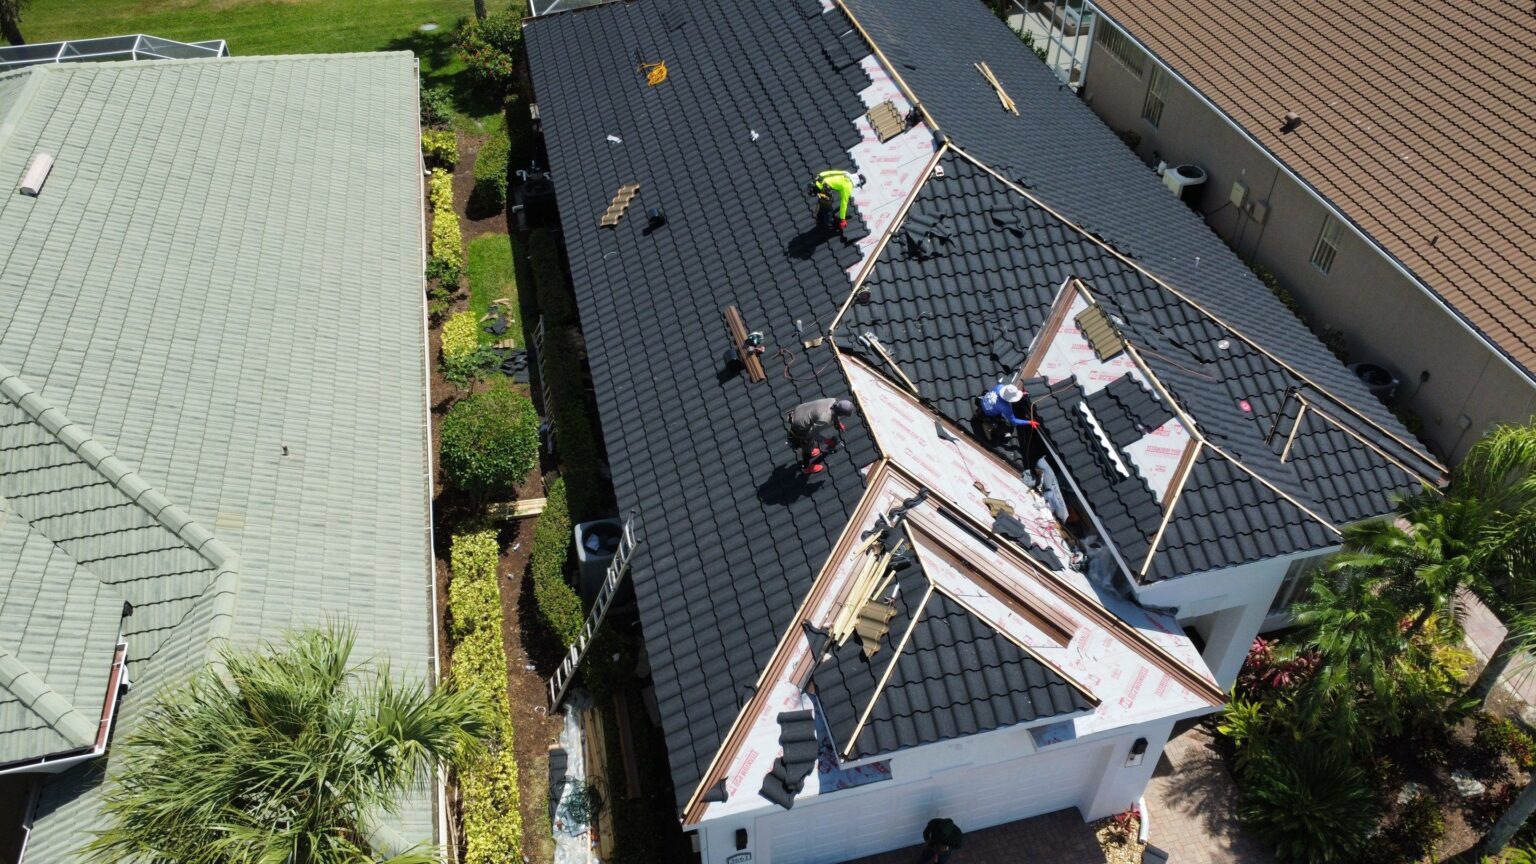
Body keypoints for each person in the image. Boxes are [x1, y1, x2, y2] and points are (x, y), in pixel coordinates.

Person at [786, 397, 855, 474]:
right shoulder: (825, 418)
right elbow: (812, 434)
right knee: (807, 444)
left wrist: (838, 423)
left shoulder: (834, 401)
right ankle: (806, 467)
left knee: (810, 441)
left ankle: (810, 451)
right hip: (799, 424)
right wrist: (827, 441)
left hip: (800, 410)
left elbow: (835, 412)